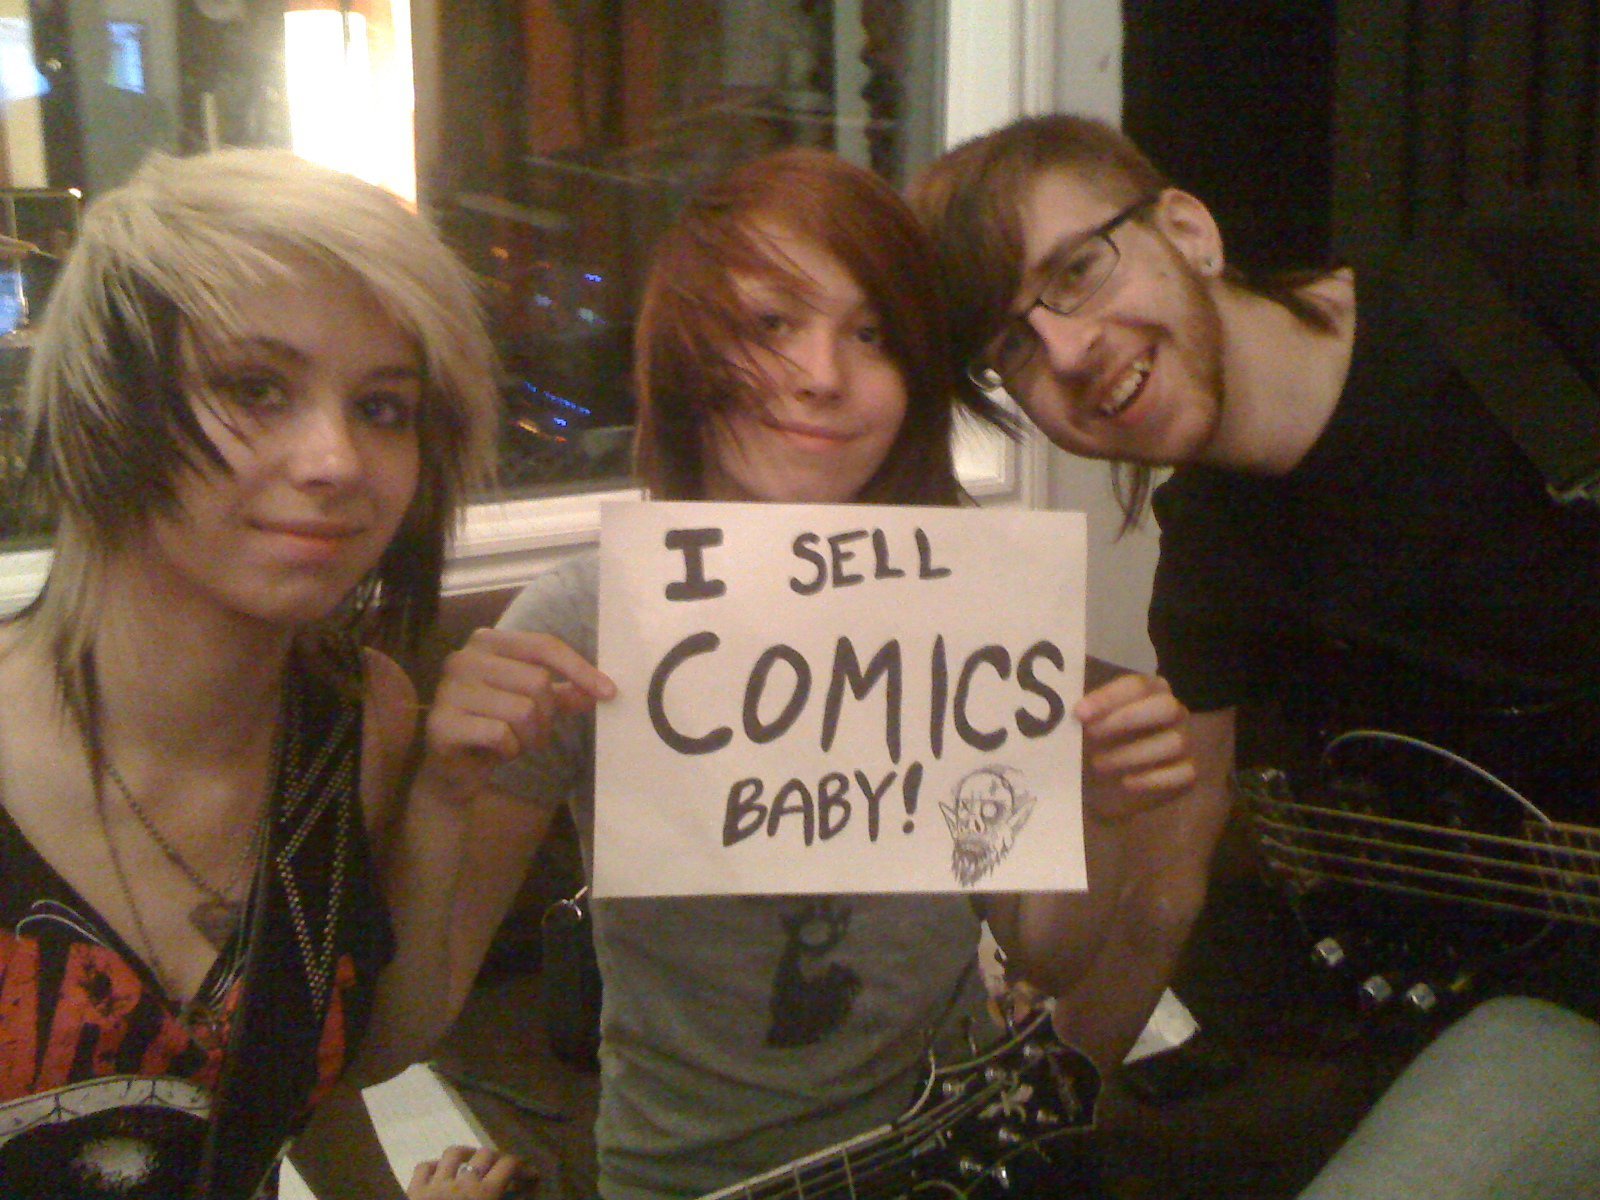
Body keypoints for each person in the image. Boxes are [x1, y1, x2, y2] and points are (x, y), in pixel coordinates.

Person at [419, 147, 1197, 1199]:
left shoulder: (968, 602)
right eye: (769, 323)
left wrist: (1093, 812)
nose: (822, 375)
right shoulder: (588, 620)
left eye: (872, 335)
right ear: (685, 351)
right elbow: (419, 1000)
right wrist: (442, 784)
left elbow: (1045, 954)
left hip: (959, 1143)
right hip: (703, 1178)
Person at [907, 112, 1600, 1068]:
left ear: (1188, 230)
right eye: (1012, 351)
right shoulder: (1210, 570)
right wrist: (1036, 1106)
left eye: (1078, 270)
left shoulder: (1529, 281)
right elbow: (1162, 895)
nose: (1066, 354)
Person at [0, 147, 539, 1200]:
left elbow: (348, 1061)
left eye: (382, 407)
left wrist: (440, 797)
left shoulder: (358, 720)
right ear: (106, 407)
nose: (336, 461)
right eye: (255, 388)